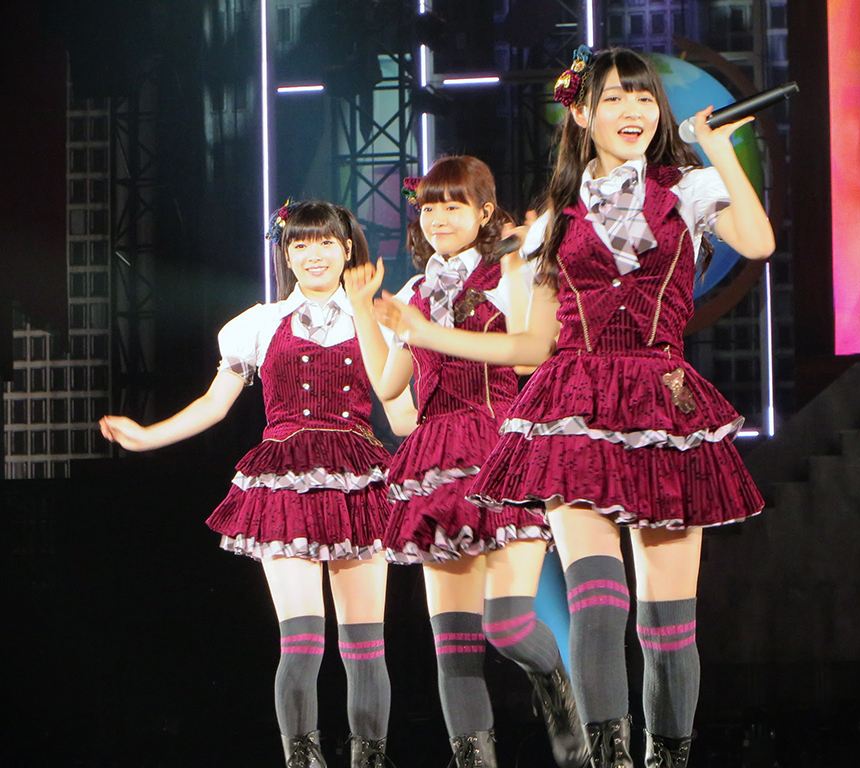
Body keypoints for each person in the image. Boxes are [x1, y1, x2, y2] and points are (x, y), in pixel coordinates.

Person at [371, 47, 774, 768]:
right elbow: (535, 344)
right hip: (574, 406)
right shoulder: (554, 220)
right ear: (583, 115)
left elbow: (759, 241)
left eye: (644, 99)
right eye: (614, 99)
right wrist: (423, 335)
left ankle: (666, 759)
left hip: (663, 404)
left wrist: (715, 148)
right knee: (597, 600)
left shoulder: (688, 189)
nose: (633, 111)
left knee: (667, 625)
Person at [99, 201, 414, 768]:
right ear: (286, 255)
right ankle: (302, 760)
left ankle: (369, 760)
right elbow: (213, 404)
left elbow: (400, 412)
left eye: (326, 242)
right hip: (284, 482)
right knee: (302, 642)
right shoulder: (259, 324)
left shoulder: (378, 320)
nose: (313, 254)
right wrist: (147, 437)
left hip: (360, 479)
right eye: (300, 244)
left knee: (366, 646)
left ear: (347, 250)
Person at [344, 155, 588, 768]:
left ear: (484, 212)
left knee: (507, 625)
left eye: (453, 206)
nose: (438, 218)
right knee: (452, 646)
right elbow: (390, 385)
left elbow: (531, 355)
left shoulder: (510, 271)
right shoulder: (416, 293)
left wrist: (517, 260)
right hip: (435, 461)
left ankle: (555, 684)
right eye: (429, 207)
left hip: (500, 453)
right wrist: (366, 310)